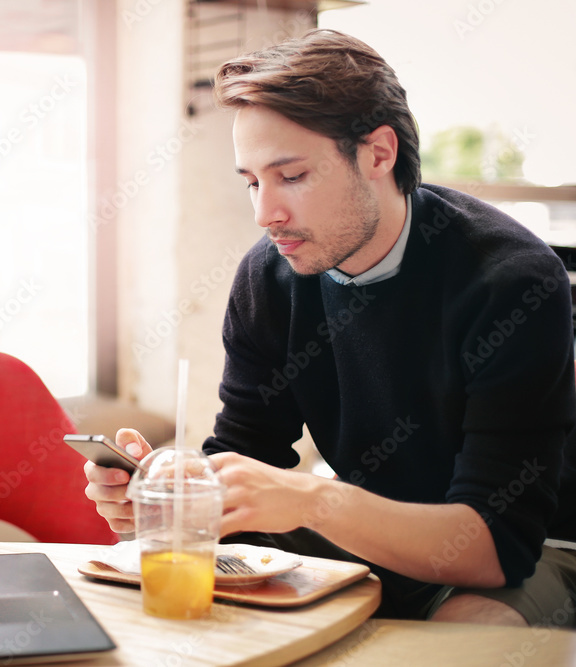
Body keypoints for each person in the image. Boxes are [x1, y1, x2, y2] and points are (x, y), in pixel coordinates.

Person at [85, 29, 576, 627]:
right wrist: (171, 497)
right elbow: (246, 449)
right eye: (252, 181)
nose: (265, 213)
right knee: (136, 583)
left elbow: (496, 546)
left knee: (473, 630)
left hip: (526, 551)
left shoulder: (509, 281)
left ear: (378, 154)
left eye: (290, 176)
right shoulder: (269, 277)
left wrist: (312, 499)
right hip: (363, 537)